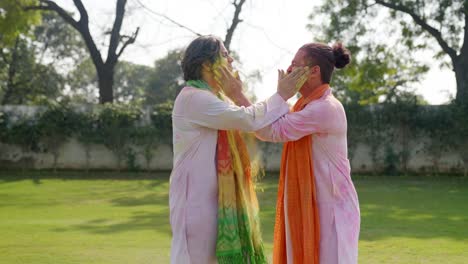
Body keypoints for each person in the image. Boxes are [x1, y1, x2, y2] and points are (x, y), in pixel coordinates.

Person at [169, 35, 308, 264]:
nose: (231, 59)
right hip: (195, 206)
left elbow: (253, 119)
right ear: (205, 64)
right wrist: (281, 95)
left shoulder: (215, 99)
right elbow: (248, 119)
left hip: (218, 204)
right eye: (224, 55)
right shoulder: (193, 99)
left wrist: (236, 94)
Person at [256, 42, 360, 264]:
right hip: (316, 205)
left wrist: (276, 96)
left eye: (295, 64)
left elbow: (266, 130)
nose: (289, 70)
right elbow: (268, 124)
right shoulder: (304, 106)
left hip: (332, 212)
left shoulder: (323, 108)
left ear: (314, 71)